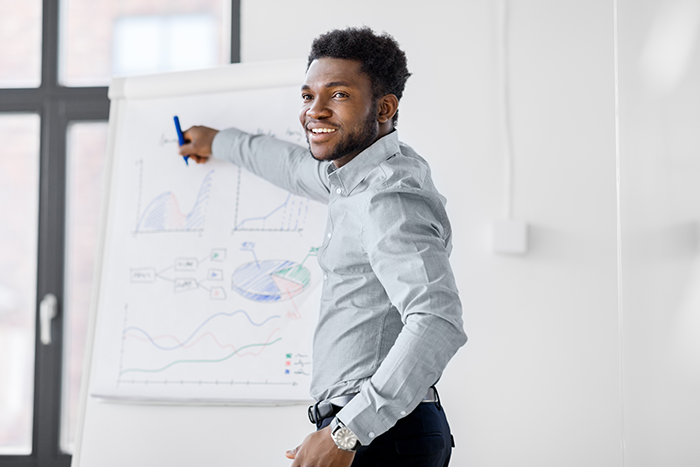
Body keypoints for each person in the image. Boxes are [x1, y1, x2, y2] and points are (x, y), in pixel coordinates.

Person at [178, 27, 467, 467]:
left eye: (339, 95)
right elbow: (291, 166)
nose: (316, 110)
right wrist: (217, 141)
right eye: (308, 95)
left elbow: (436, 319)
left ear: (385, 108)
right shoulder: (353, 179)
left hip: (380, 435)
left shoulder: (387, 198)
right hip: (374, 430)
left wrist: (346, 432)